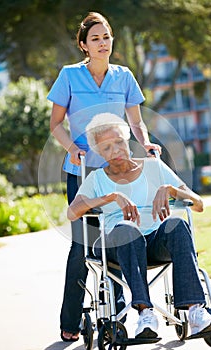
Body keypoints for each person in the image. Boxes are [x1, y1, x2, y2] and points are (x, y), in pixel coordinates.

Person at [47, 12, 161, 342]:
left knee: (119, 236)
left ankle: (121, 310)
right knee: (83, 246)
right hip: (82, 172)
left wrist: (146, 142)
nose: (103, 43)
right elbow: (55, 123)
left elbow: (136, 122)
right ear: (84, 45)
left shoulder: (124, 76)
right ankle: (70, 318)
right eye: (95, 38)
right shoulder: (69, 76)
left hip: (117, 170)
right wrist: (71, 147)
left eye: (107, 36)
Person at [67, 113, 211, 339]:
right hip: (117, 245)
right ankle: (145, 314)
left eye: (119, 142)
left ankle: (196, 312)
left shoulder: (154, 168)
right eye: (107, 147)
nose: (116, 150)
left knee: (177, 224)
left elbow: (198, 204)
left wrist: (170, 189)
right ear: (100, 153)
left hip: (154, 244)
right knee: (126, 229)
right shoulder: (97, 179)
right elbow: (72, 212)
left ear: (127, 140)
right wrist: (111, 197)